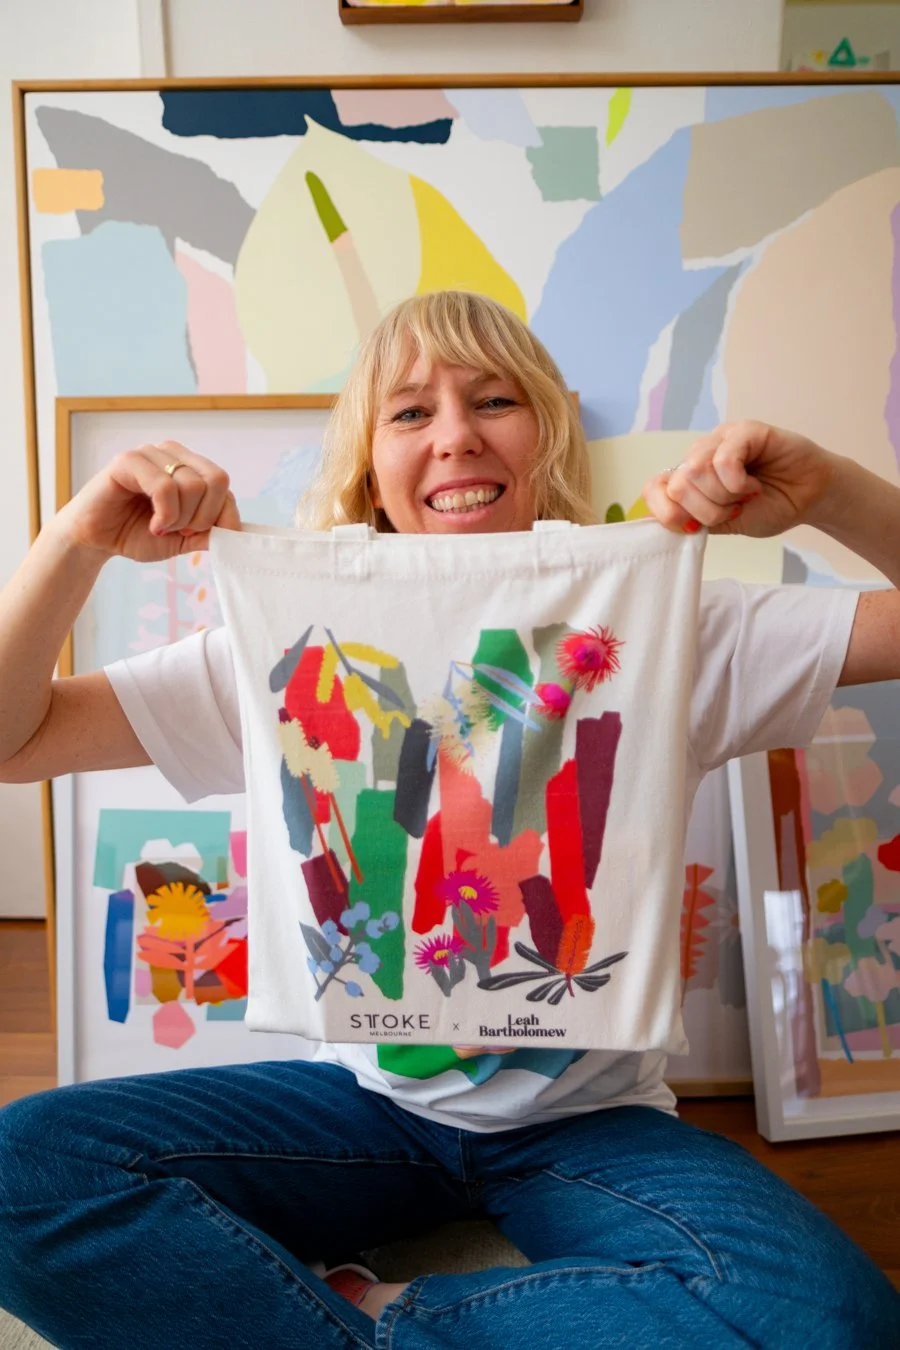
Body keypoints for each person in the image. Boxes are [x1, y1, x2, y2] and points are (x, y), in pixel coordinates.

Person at [0, 290, 898, 1350]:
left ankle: (376, 1318)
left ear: (546, 436)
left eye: (494, 400)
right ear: (369, 462)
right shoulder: (291, 638)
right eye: (411, 413)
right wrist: (76, 538)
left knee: (827, 1320)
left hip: (591, 1125)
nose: (457, 435)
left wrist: (833, 491)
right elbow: (17, 741)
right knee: (28, 1175)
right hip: (362, 1111)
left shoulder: (663, 620)